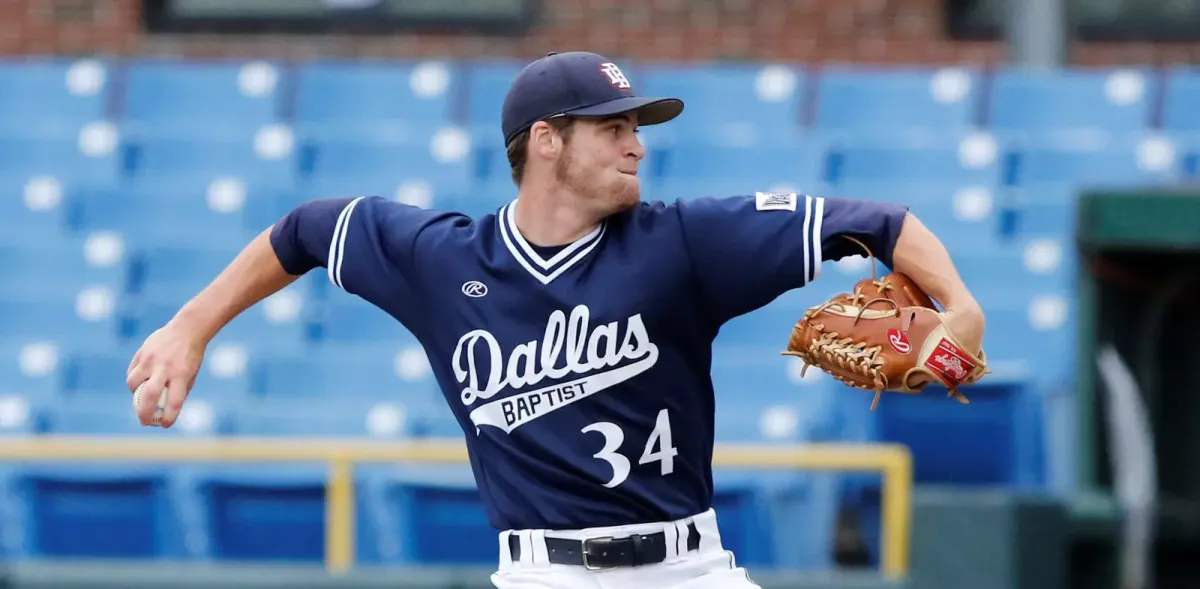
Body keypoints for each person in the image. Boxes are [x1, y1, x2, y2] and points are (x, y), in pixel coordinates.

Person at [126, 51, 985, 588]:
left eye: (635, 128)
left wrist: (962, 309)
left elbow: (879, 222)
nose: (636, 145)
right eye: (613, 128)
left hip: (687, 568)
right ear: (546, 140)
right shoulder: (443, 261)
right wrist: (190, 327)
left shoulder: (685, 242)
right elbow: (306, 229)